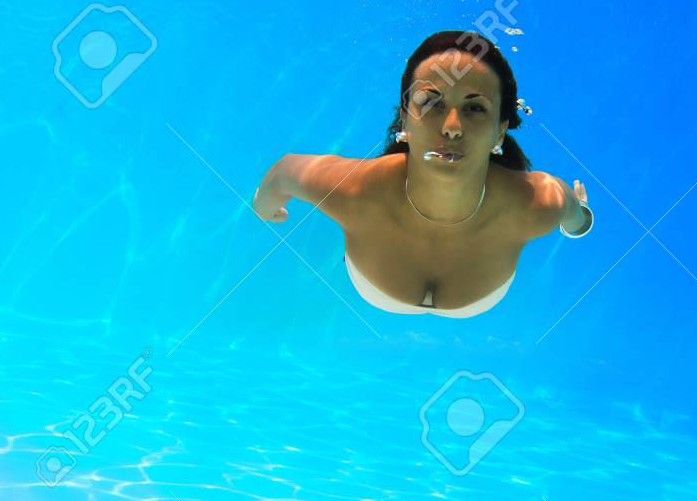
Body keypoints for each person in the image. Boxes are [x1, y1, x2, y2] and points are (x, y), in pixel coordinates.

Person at [253, 30, 593, 318]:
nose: (452, 128)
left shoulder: (538, 202)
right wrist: (263, 207)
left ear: (500, 131)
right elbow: (283, 171)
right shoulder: (355, 190)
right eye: (431, 103)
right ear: (405, 120)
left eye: (475, 108)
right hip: (372, 286)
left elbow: (574, 215)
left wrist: (580, 217)